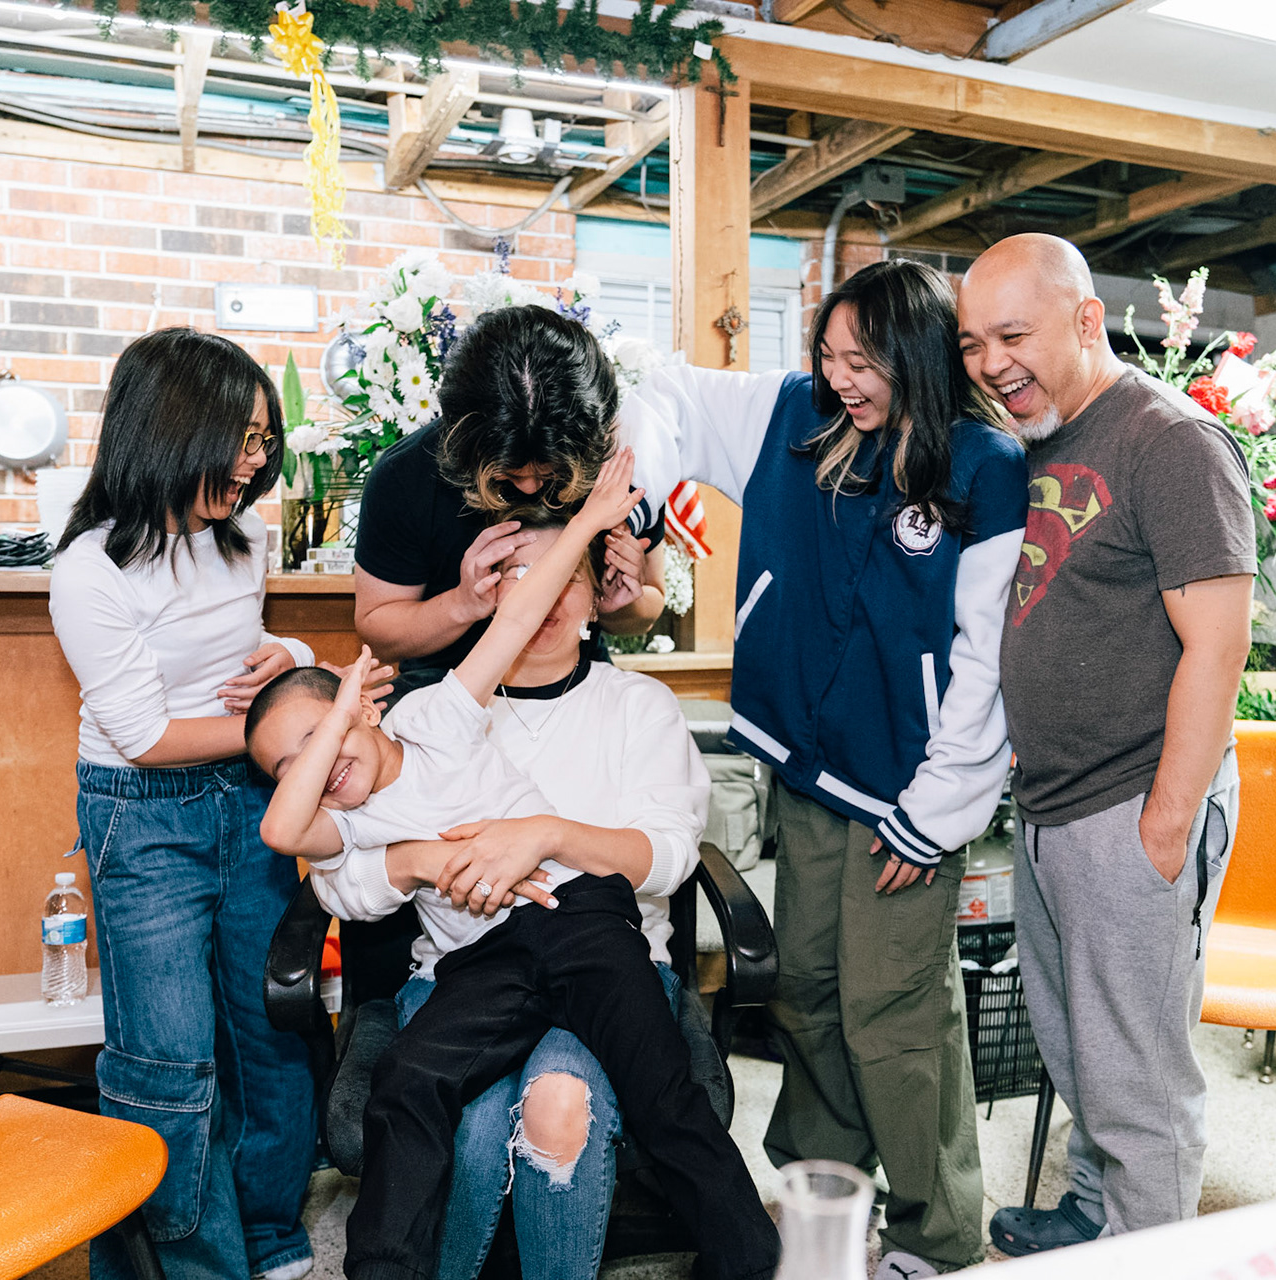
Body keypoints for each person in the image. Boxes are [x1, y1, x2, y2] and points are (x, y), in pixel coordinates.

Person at [244, 452, 781, 1280]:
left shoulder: (442, 719)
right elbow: (287, 831)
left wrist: (591, 520)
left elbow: (522, 612)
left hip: (581, 923)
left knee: (660, 1094)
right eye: (296, 764)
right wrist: (391, 818)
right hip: (479, 960)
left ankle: (748, 1260)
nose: (319, 762)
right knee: (407, 1082)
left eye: (323, 740)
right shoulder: (349, 808)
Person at [621, 258, 1028, 1278]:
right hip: (809, 765)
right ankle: (825, 1189)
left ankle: (937, 1231)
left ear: (918, 356)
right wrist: (643, 497)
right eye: (830, 355)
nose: (841, 378)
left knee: (892, 1010)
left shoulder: (984, 465)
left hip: (910, 789)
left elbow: (986, 661)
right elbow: (663, 390)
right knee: (803, 987)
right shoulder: (795, 414)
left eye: (864, 361)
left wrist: (936, 813)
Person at [955, 234, 1255, 1250]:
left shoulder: (1169, 442)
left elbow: (1218, 644)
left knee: (1139, 1077)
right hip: (1053, 806)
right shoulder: (1034, 440)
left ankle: (1149, 1254)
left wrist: (1166, 823)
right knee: (1081, 1049)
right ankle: (1096, 1212)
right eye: (973, 344)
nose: (992, 364)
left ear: (1087, 319)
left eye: (1012, 336)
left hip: (1132, 802)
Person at [48, 327, 328, 1280]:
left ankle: (271, 1232)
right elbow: (146, 734)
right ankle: (185, 1264)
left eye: (263, 440)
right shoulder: (91, 570)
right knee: (167, 1057)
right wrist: (291, 728)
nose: (255, 462)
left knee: (270, 1025)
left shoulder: (242, 542)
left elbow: (249, 651)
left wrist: (292, 659)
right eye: (241, 439)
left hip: (250, 803)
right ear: (171, 429)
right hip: (144, 814)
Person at [353, 305, 677, 699]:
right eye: (508, 473)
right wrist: (460, 605)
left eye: (550, 473)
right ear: (460, 434)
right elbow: (378, 631)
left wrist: (618, 604)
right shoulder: (405, 476)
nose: (528, 487)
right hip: (442, 685)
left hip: (573, 685)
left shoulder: (622, 469)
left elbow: (647, 609)